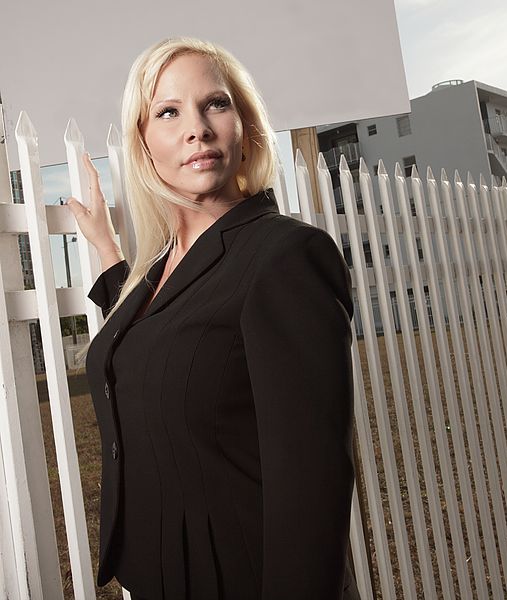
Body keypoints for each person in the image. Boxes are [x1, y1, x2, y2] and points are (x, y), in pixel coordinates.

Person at [66, 37, 360, 600]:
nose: (195, 128)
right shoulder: (159, 270)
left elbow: (311, 489)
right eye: (169, 111)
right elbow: (153, 341)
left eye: (215, 104)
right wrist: (107, 252)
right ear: (144, 143)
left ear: (245, 128)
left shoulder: (285, 256)